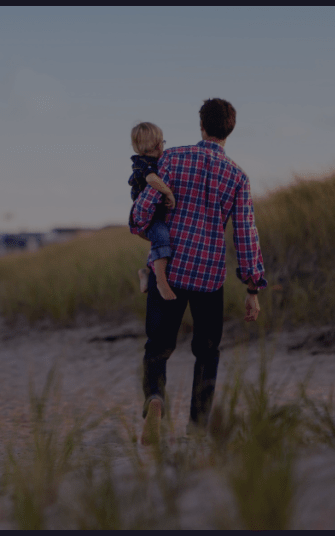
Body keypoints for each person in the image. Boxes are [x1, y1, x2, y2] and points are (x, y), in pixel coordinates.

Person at [129, 98, 267, 445]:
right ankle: (199, 426)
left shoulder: (172, 157)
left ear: (201, 125)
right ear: (229, 130)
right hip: (209, 278)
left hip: (170, 271)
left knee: (157, 348)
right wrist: (252, 289)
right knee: (207, 352)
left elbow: (142, 211)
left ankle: (155, 400)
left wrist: (144, 227)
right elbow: (246, 235)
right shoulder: (237, 176)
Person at [128, 122, 178, 301]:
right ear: (159, 144)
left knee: (161, 242)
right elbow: (151, 179)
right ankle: (161, 282)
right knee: (162, 237)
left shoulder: (157, 161)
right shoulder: (143, 164)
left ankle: (146, 272)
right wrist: (168, 192)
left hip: (156, 215)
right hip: (146, 217)